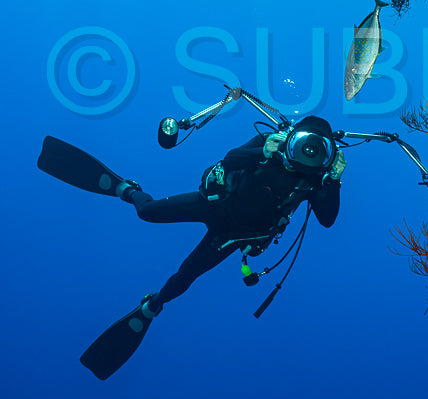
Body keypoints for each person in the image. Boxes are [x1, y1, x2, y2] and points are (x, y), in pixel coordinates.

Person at [37, 115, 346, 379]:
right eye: (305, 140)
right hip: (213, 204)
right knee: (148, 212)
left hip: (235, 235)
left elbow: (328, 220)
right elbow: (230, 159)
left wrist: (334, 180)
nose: (309, 151)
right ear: (292, 136)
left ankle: (153, 305)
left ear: (328, 156)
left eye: (320, 149)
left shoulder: (315, 181)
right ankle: (126, 190)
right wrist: (264, 149)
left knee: (186, 276)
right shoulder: (269, 143)